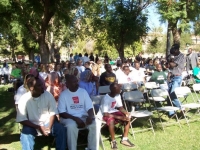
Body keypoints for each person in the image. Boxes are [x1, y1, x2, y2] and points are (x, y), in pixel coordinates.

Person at [16, 77, 66, 150]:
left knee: (60, 129)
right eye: (39, 85)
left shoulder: (48, 95)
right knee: (25, 134)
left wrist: (49, 127)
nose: (43, 87)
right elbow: (22, 119)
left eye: (42, 84)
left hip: (48, 122)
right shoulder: (24, 99)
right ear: (31, 88)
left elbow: (53, 113)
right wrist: (38, 127)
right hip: (32, 124)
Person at [58, 75, 100, 150]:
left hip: (83, 116)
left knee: (95, 123)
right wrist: (75, 119)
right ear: (68, 84)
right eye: (74, 82)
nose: (77, 83)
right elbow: (62, 112)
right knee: (71, 126)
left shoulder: (83, 92)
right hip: (69, 117)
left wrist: (90, 116)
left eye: (76, 81)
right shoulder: (63, 94)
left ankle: (92, 148)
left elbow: (89, 107)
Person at [97, 83, 135, 149]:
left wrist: (126, 113)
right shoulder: (106, 98)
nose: (120, 89)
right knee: (111, 120)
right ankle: (113, 141)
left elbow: (120, 107)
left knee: (127, 118)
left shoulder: (117, 95)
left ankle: (125, 139)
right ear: (113, 89)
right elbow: (105, 114)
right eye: (118, 88)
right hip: (104, 114)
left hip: (113, 111)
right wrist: (120, 117)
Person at [167, 44, 185, 116]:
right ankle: (172, 113)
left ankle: (182, 107)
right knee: (169, 96)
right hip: (171, 77)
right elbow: (168, 66)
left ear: (177, 50)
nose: (173, 53)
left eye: (174, 51)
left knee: (173, 94)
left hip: (177, 78)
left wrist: (169, 61)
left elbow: (174, 64)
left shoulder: (181, 56)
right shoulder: (172, 55)